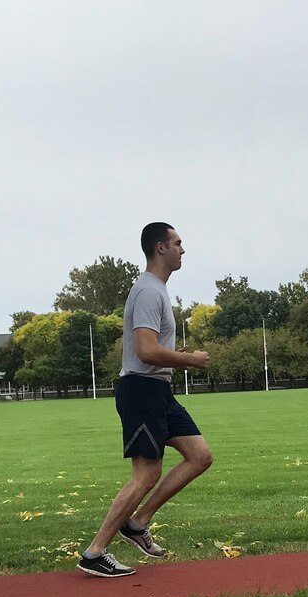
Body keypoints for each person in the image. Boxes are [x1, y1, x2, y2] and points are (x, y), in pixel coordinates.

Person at [79, 222, 213, 577]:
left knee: (200, 456)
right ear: (160, 248)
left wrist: (174, 356)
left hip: (158, 389)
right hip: (141, 389)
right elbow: (146, 350)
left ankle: (137, 523)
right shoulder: (149, 292)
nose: (183, 250)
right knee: (146, 472)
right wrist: (189, 360)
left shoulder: (157, 291)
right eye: (178, 243)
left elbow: (154, 351)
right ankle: (95, 551)